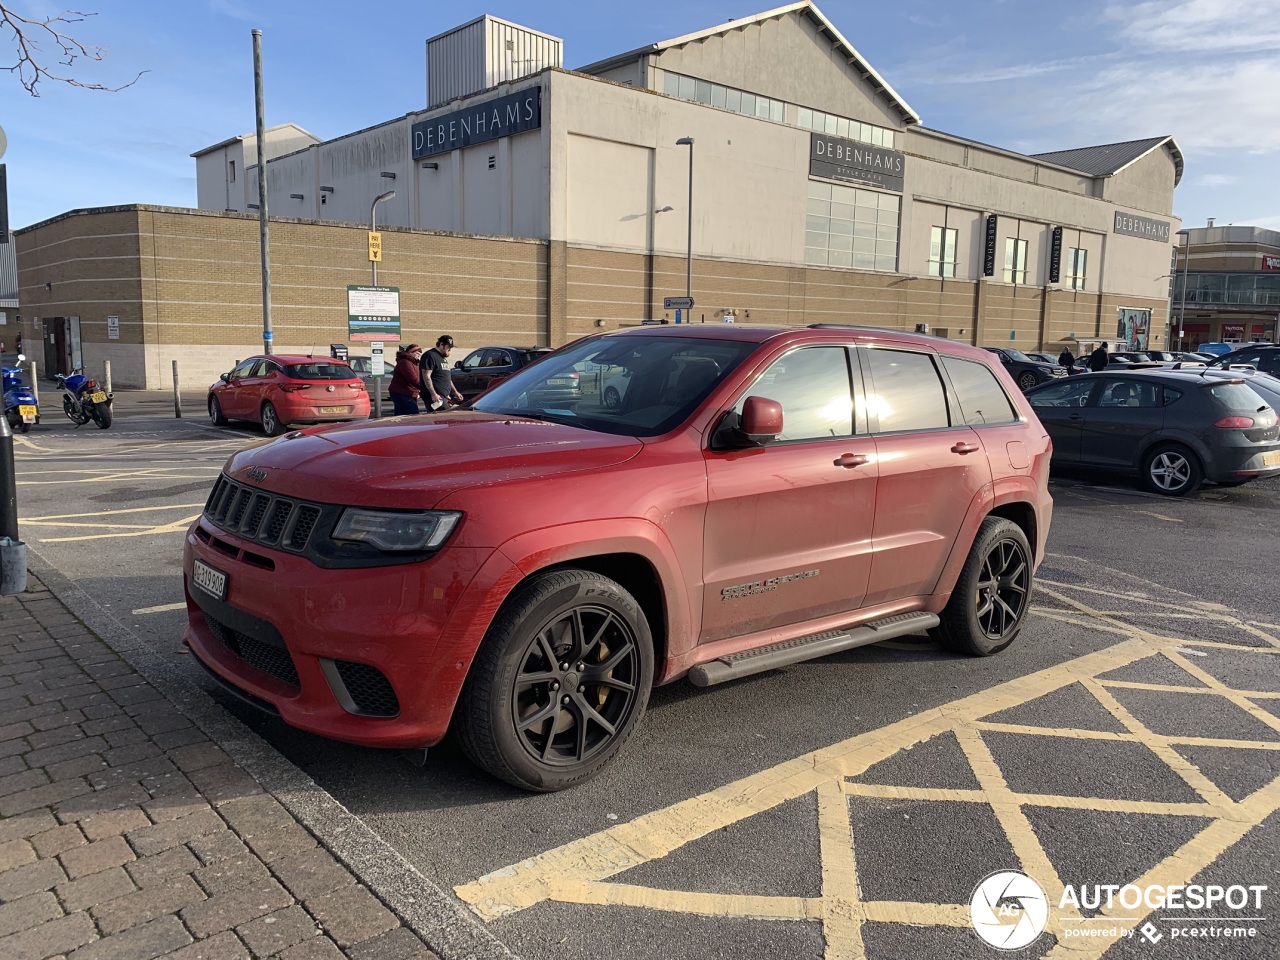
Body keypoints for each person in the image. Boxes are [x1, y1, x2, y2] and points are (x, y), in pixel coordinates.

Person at [419, 335, 463, 412]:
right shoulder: (430, 356)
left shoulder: (442, 358)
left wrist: (455, 391)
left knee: (447, 418)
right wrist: (433, 394)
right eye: (448, 347)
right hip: (435, 398)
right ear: (441, 345)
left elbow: (447, 378)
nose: (450, 349)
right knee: (443, 418)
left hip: (444, 397)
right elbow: (426, 376)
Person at [388, 343, 424, 416]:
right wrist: (424, 388)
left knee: (401, 415)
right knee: (412, 414)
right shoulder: (405, 362)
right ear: (410, 353)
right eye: (417, 353)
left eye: (420, 353)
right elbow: (412, 378)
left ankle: (400, 426)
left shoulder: (414, 363)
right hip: (401, 393)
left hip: (409, 393)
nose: (419, 355)